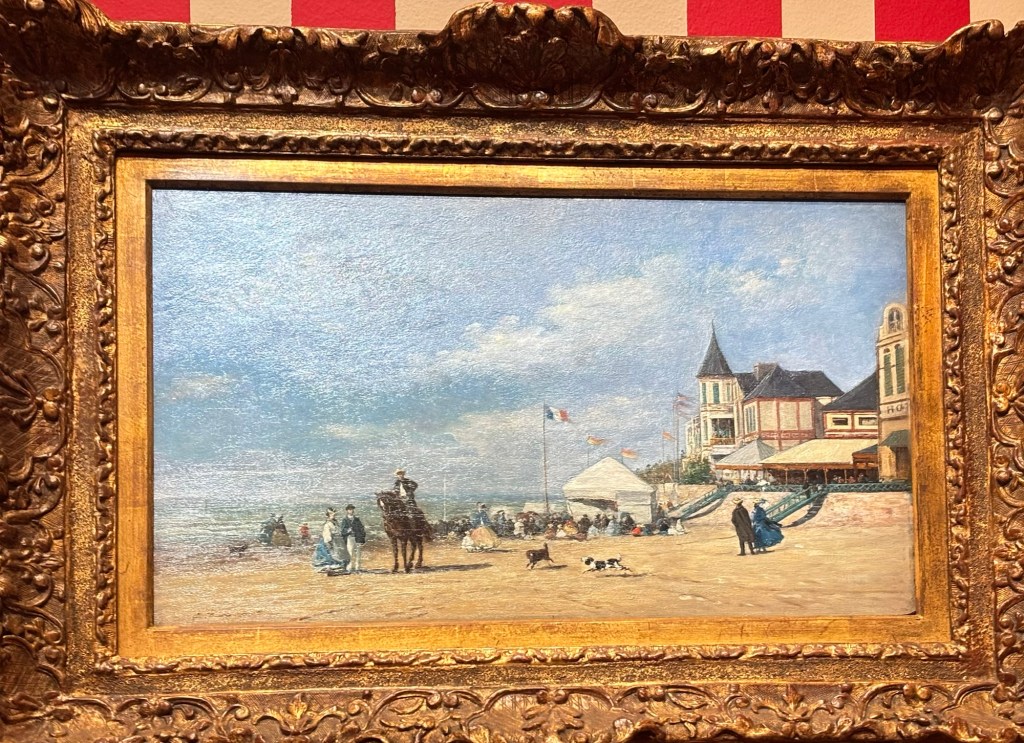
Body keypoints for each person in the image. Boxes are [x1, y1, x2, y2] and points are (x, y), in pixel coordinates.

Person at [312, 508, 348, 573]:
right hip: (329, 541)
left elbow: (338, 531)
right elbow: (327, 534)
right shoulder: (327, 524)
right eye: (331, 514)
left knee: (339, 554)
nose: (333, 515)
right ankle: (329, 568)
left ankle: (338, 567)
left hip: (336, 541)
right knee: (328, 555)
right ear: (328, 516)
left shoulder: (335, 523)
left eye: (333, 514)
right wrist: (329, 542)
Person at [340, 504, 367, 572]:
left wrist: (362, 539)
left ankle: (358, 567)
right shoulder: (345, 520)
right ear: (347, 511)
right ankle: (350, 566)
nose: (351, 511)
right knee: (350, 552)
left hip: (358, 538)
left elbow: (361, 529)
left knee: (358, 553)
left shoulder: (357, 519)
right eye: (350, 509)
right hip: (350, 538)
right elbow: (342, 530)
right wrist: (348, 530)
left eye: (352, 509)